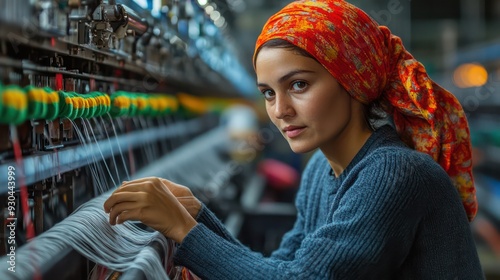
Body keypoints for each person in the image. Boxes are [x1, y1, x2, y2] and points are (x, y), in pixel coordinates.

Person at [103, 0, 486, 279]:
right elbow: (286, 267)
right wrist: (198, 218)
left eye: (298, 85)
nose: (280, 109)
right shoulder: (323, 167)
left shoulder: (396, 173)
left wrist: (184, 231)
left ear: (352, 80)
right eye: (269, 93)